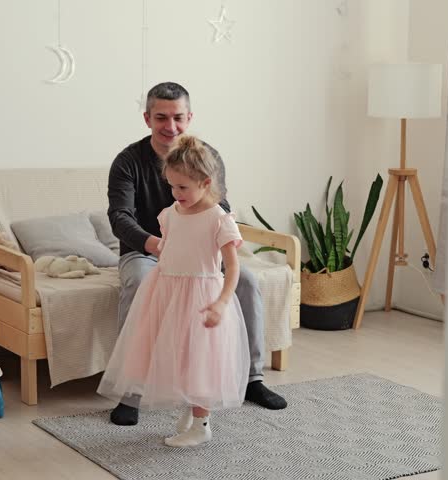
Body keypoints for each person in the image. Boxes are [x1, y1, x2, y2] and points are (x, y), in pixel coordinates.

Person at [105, 82, 287, 428]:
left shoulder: (207, 157)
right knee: (141, 284)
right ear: (147, 118)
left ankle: (252, 379)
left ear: (189, 117)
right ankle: (131, 392)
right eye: (161, 117)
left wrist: (212, 242)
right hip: (147, 251)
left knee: (246, 281)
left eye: (177, 117)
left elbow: (221, 206)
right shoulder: (128, 162)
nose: (169, 126)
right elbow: (120, 217)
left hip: (200, 250)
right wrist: (156, 245)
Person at [97, 135, 250, 447]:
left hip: (202, 298)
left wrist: (220, 304)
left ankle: (202, 424)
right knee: (179, 356)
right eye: (171, 186)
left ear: (206, 182)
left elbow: (232, 268)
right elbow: (170, 250)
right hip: (168, 291)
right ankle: (190, 412)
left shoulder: (219, 220)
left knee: (200, 361)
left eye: (183, 188)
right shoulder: (170, 214)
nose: (175, 194)